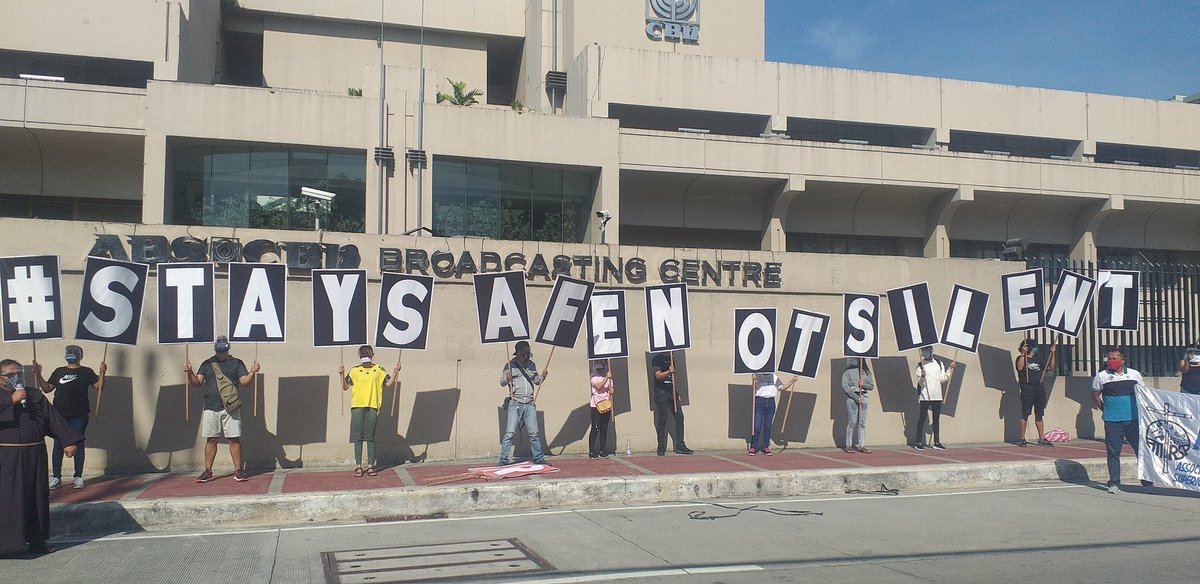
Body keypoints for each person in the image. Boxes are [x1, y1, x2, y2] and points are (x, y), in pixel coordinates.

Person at [1, 359, 82, 555]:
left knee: (35, 497)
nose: (16, 378)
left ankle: (37, 541)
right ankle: (6, 545)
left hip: (35, 453)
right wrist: (10, 401)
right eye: (11, 375)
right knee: (9, 499)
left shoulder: (34, 395)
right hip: (6, 456)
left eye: (18, 374)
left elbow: (52, 418)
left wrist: (68, 441)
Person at [183, 335, 259, 483]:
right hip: (211, 407)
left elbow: (244, 382)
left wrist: (252, 372)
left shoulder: (237, 363)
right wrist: (190, 372)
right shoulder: (207, 363)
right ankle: (207, 470)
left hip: (230, 407)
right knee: (211, 439)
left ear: (228, 346)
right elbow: (197, 382)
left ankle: (238, 470)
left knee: (234, 439)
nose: (221, 346)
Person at [36, 344, 105, 489]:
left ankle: (78, 477)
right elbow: (47, 388)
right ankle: (56, 477)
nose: (72, 353)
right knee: (58, 445)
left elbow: (98, 386)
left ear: (81, 355)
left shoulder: (86, 371)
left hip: (79, 414)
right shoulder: (59, 371)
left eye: (75, 351)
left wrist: (102, 373)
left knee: (78, 443)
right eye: (70, 351)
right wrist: (38, 374)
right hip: (59, 415)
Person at [1092, 348, 1153, 494]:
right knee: (1113, 453)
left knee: (1141, 451)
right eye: (1109, 358)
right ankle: (1114, 483)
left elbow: (1142, 394)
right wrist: (1105, 410)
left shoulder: (1134, 374)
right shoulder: (1101, 376)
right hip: (1112, 421)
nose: (1111, 361)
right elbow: (1095, 396)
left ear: (1122, 360)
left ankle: (1147, 483)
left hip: (1133, 420)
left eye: (1114, 358)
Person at [340, 345, 399, 477]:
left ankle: (371, 466)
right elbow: (345, 387)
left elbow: (388, 384)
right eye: (363, 353)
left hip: (372, 406)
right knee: (358, 437)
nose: (366, 355)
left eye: (367, 353)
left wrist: (395, 372)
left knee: (370, 437)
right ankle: (358, 466)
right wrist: (341, 374)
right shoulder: (355, 370)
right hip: (357, 406)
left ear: (372, 354)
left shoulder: (378, 369)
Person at [498, 341, 549, 466]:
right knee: (510, 433)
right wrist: (507, 378)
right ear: (519, 352)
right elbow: (502, 382)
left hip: (530, 402)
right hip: (515, 402)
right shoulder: (510, 365)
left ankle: (538, 458)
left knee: (534, 433)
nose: (527, 354)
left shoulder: (532, 365)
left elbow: (537, 381)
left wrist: (543, 376)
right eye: (525, 352)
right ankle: (503, 459)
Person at [1014, 338, 1057, 446]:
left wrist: (1052, 354)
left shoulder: (1038, 360)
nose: (1035, 350)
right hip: (1027, 389)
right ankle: (1022, 438)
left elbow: (1051, 368)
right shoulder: (1021, 358)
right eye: (1033, 348)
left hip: (1039, 389)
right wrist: (1023, 354)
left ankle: (1041, 438)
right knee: (1025, 414)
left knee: (1039, 414)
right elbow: (1019, 367)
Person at [913, 346, 955, 450]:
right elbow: (921, 383)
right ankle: (918, 442)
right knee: (922, 418)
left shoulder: (939, 363)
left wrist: (950, 369)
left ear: (932, 351)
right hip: (925, 396)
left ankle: (936, 442)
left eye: (927, 350)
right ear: (922, 352)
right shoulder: (920, 366)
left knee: (936, 419)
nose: (925, 352)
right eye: (924, 351)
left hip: (937, 396)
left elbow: (942, 378)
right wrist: (922, 376)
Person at [651, 351, 692, 456]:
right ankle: (661, 447)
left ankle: (680, 445)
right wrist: (668, 372)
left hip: (671, 392)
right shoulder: (657, 359)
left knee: (679, 417)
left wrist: (675, 391)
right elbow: (658, 376)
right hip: (661, 392)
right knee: (663, 418)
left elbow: (673, 377)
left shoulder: (672, 359)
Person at [749, 371, 797, 456]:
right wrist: (754, 381)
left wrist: (791, 381)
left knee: (768, 426)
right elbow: (753, 389)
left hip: (771, 402)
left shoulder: (774, 376)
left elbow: (782, 387)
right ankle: (753, 447)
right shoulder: (757, 375)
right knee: (757, 426)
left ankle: (766, 447)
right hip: (760, 401)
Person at [841, 358, 874, 454]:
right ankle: (848, 445)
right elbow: (845, 386)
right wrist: (855, 397)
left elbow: (871, 386)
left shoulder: (866, 372)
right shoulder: (847, 372)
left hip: (864, 398)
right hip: (852, 399)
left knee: (862, 423)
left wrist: (863, 384)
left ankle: (861, 444)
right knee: (852, 422)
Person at [588, 360, 613, 459]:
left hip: (606, 404)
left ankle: (603, 450)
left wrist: (611, 391)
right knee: (596, 428)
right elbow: (598, 387)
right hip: (596, 405)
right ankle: (592, 451)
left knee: (604, 428)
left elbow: (610, 390)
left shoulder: (609, 378)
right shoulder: (593, 376)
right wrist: (607, 377)